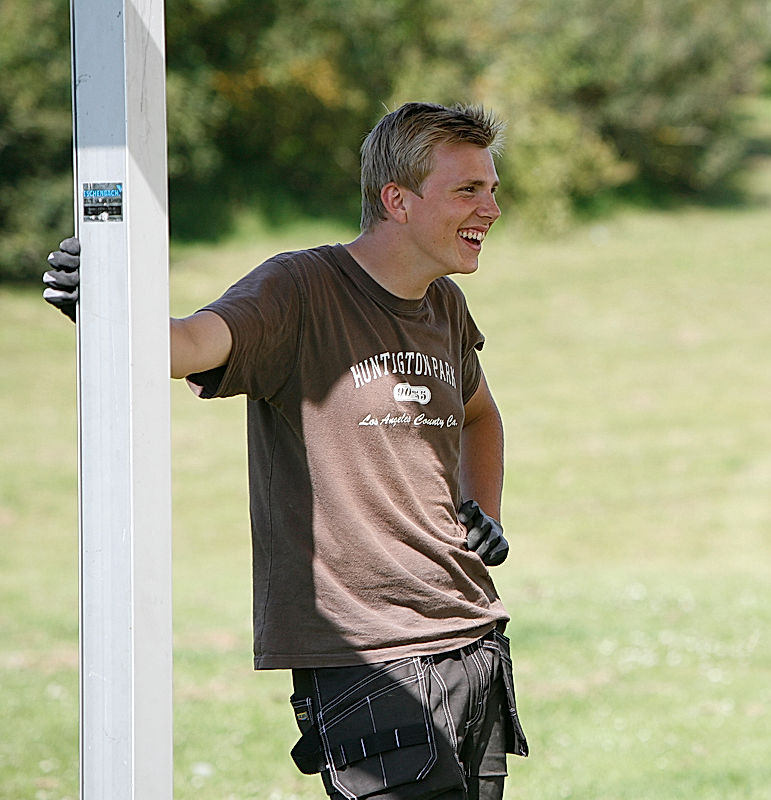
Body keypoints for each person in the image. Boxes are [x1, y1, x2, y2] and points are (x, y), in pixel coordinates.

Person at [43, 101, 528, 800]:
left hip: (473, 640)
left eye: (492, 189)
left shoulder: (442, 304)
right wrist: (103, 302)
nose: (491, 208)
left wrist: (481, 507)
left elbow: (481, 415)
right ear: (397, 199)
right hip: (370, 657)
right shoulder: (300, 290)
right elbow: (186, 346)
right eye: (468, 190)